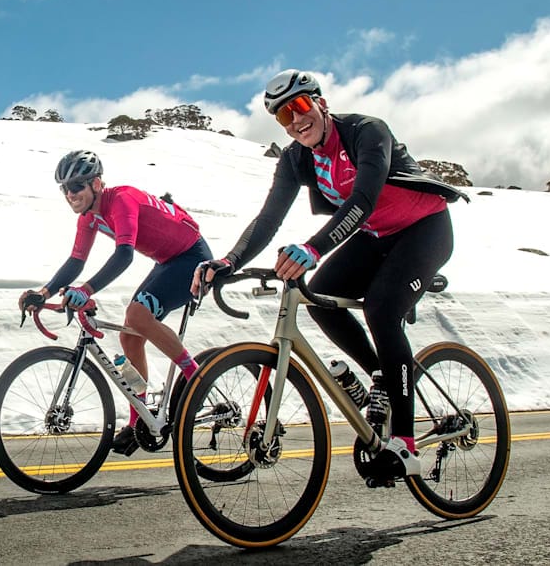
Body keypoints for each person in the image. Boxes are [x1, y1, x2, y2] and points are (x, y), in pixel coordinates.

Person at [191, 69, 469, 484]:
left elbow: (363, 200)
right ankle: (381, 376)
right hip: (376, 236)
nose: (295, 121)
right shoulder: (295, 159)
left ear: (320, 102)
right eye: (283, 117)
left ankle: (405, 444)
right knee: (319, 296)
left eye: (300, 106)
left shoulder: (366, 132)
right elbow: (268, 218)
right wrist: (228, 261)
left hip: (424, 230)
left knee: (382, 308)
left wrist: (313, 248)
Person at [19, 150, 213, 456]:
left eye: (76, 186)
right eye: (65, 189)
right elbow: (76, 260)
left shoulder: (121, 199)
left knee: (137, 316)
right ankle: (140, 421)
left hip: (192, 258)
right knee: (129, 337)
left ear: (96, 183)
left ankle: (198, 377)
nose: (70, 194)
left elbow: (124, 255)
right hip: (167, 261)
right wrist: (44, 293)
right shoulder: (88, 218)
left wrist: (86, 290)